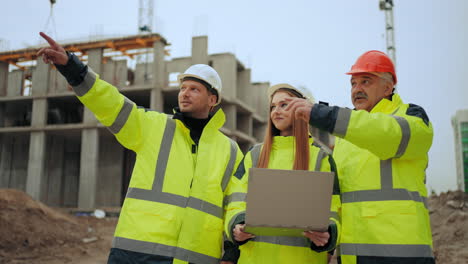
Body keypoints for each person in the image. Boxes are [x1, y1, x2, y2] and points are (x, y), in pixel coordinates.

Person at [37, 32, 244, 264]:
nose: (185, 93)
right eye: (183, 88)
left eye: (194, 89)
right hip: (136, 254)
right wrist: (73, 68)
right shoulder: (153, 126)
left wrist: (231, 249)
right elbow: (110, 103)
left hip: (195, 258)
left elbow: (235, 202)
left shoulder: (231, 150)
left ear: (212, 100)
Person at [285, 50, 435, 264]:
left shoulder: (411, 117)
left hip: (402, 255)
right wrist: (328, 233)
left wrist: (322, 115)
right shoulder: (345, 138)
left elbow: (384, 133)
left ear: (388, 86)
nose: (357, 89)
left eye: (366, 81)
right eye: (353, 84)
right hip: (353, 255)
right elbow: (338, 197)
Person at [223, 84, 341, 263]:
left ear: (304, 109)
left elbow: (335, 210)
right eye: (273, 106)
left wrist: (329, 234)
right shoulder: (254, 155)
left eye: (284, 105)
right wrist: (236, 226)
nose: (276, 111)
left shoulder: (321, 159)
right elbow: (235, 201)